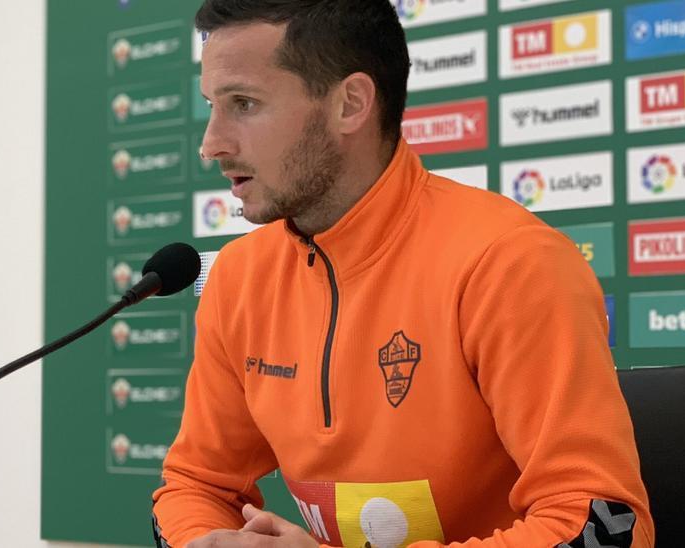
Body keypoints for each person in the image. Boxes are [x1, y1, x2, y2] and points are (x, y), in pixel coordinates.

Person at [149, 1, 654, 546]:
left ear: (350, 104)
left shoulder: (508, 262)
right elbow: (196, 486)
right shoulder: (238, 278)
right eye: (212, 107)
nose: (211, 144)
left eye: (243, 104)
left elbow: (601, 526)